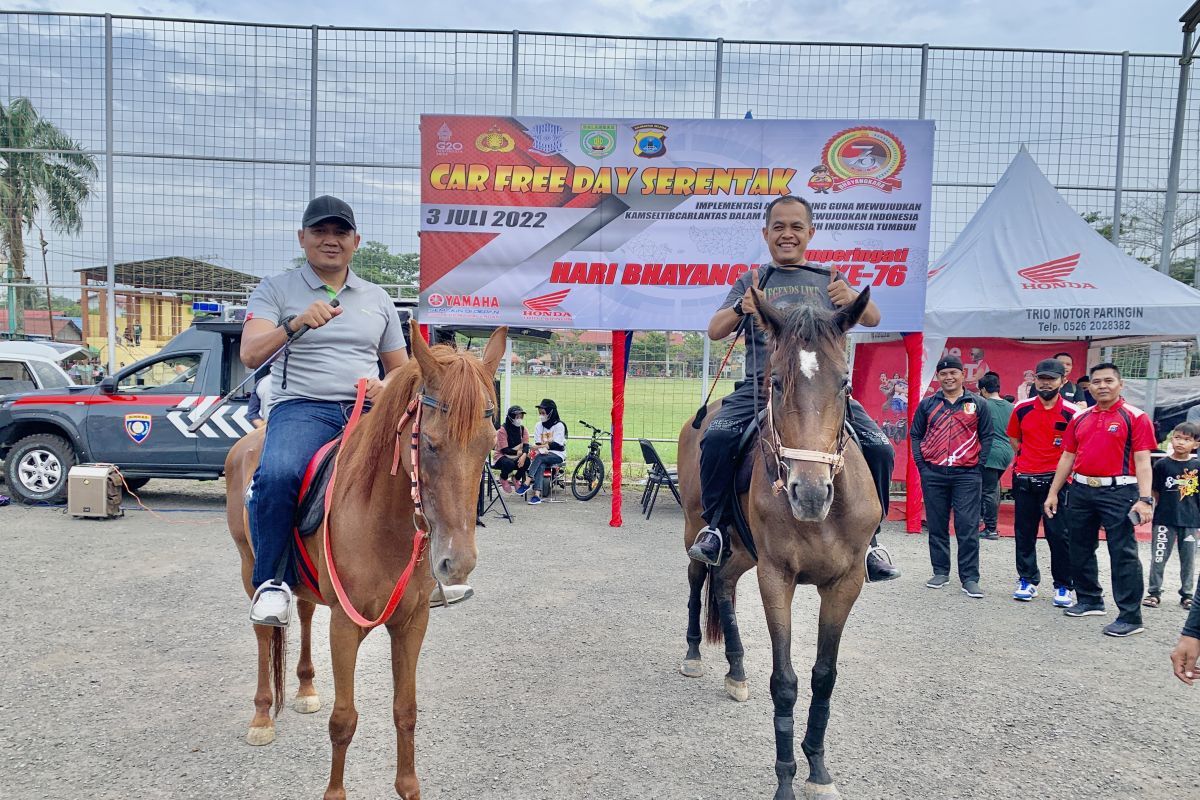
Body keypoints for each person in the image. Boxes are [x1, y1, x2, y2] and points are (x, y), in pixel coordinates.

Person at [242, 195, 466, 628]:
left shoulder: (377, 298)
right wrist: (294, 324)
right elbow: (251, 353)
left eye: (340, 232)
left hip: (369, 409)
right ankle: (272, 582)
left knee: (422, 466)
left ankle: (433, 571)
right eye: (321, 232)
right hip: (303, 407)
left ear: (356, 241)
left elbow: (402, 369)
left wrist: (390, 388)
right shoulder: (275, 290)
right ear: (302, 237)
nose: (331, 241)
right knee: (278, 474)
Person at [687, 194, 899, 583]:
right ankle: (716, 528)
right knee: (715, 439)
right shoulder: (751, 281)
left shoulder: (828, 280)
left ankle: (871, 543)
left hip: (822, 394)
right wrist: (740, 308)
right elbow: (715, 330)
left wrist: (851, 297)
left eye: (796, 227)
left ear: (810, 232)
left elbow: (871, 316)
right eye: (779, 227)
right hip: (761, 389)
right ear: (766, 233)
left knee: (880, 448)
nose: (788, 234)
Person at [1044, 362, 1156, 638]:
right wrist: (1053, 491)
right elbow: (1067, 456)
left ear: (1121, 384)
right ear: (1089, 386)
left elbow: (1143, 461)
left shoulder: (1136, 417)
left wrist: (1145, 499)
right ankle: (1090, 599)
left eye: (1108, 381)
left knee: (1123, 553)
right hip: (1081, 489)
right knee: (1079, 547)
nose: (1102, 386)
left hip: (1119, 492)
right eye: (1096, 382)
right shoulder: (1080, 418)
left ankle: (1130, 616)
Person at [911, 355, 994, 598]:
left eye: (953, 373)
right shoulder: (928, 404)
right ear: (938, 377)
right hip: (934, 473)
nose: (949, 377)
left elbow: (987, 436)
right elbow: (915, 434)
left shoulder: (977, 403)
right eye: (944, 374)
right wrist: (922, 466)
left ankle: (969, 578)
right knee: (936, 525)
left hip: (967, 475)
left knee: (967, 527)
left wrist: (979, 466)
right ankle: (940, 571)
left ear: (962, 375)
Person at [1006, 359, 1080, 606]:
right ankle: (1027, 580)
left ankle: (1063, 586)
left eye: (1051, 379)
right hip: (1025, 479)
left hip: (1057, 484)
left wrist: (1058, 478)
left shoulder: (1073, 413)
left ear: (1063, 381)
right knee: (1024, 533)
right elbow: (1014, 440)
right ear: (1034, 380)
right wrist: (1029, 459)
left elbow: (1076, 450)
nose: (1046, 383)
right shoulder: (1021, 408)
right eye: (1041, 378)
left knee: (1059, 536)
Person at [1143, 422, 1200, 610]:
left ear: (1196, 444)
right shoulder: (1161, 465)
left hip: (1190, 521)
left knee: (1188, 560)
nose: (1181, 443)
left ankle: (1187, 594)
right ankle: (1154, 592)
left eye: (1187, 439)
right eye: (1178, 438)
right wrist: (1150, 507)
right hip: (1164, 520)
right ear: (1171, 439)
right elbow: (1154, 491)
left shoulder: (1197, 466)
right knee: (1158, 557)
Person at [977, 372, 1014, 541]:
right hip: (1007, 452)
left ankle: (990, 528)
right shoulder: (1010, 407)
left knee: (988, 491)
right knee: (991, 487)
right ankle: (983, 519)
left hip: (991, 452)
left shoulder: (983, 404)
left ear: (983, 389)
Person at [517, 398, 566, 505]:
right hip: (543, 454)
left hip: (557, 454)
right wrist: (539, 448)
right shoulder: (538, 425)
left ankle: (527, 482)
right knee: (541, 463)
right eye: (540, 413)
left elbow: (557, 445)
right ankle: (537, 495)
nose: (541, 416)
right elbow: (538, 443)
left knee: (539, 458)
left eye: (543, 413)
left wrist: (539, 448)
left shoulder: (559, 425)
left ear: (550, 412)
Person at [493, 405, 531, 491]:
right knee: (509, 464)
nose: (519, 419)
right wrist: (520, 453)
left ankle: (516, 478)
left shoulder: (523, 429)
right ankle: (503, 478)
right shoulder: (502, 430)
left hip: (517, 455)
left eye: (520, 417)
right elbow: (504, 449)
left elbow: (526, 445)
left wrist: (524, 455)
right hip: (502, 456)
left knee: (527, 462)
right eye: (517, 417)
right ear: (510, 417)